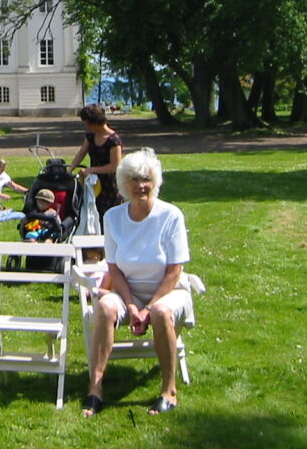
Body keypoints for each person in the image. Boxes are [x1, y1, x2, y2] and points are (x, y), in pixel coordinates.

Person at [81, 148, 194, 418]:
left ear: (155, 182)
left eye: (146, 179)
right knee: (105, 306)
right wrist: (132, 306)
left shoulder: (171, 216)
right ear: (123, 183)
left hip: (168, 292)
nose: (140, 185)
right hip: (128, 291)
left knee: (161, 312)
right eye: (134, 179)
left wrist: (148, 308)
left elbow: (174, 272)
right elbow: (114, 269)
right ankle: (95, 388)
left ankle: (169, 391)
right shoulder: (113, 217)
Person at [69, 104, 124, 220]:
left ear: (94, 122)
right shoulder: (90, 136)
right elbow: (81, 153)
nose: (86, 126)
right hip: (93, 183)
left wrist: (90, 170)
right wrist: (70, 169)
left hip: (110, 186)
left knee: (110, 217)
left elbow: (114, 166)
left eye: (86, 123)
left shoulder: (113, 140)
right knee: (93, 216)